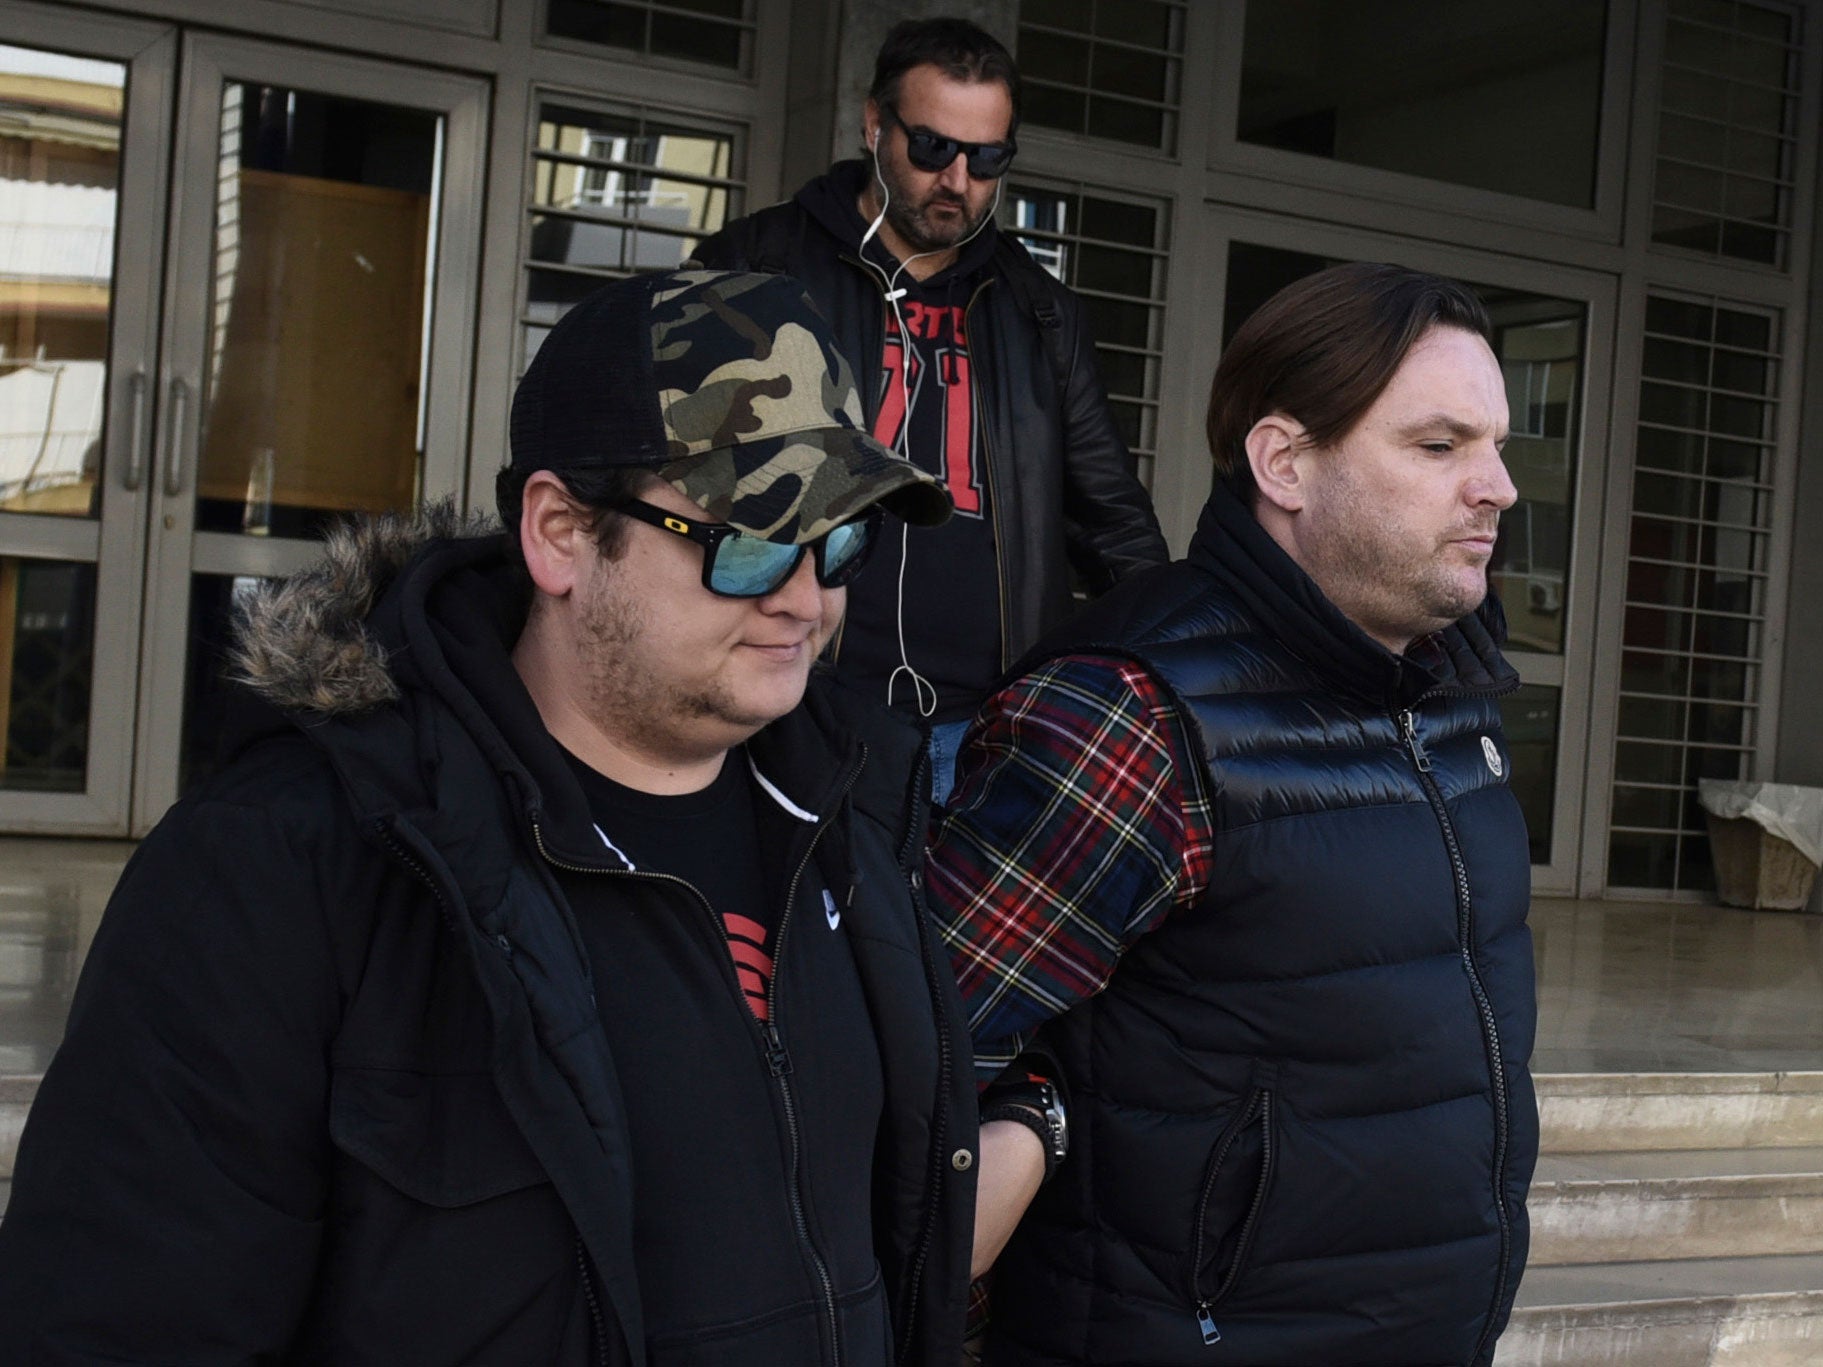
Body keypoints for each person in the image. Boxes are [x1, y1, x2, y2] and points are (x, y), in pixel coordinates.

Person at [0, 270, 984, 1365]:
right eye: (749, 538)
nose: (803, 597)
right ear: (560, 533)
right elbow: (117, 1319)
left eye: (837, 540)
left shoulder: (851, 824)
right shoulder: (291, 862)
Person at [931, 262, 1539, 1365]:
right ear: (1284, 462)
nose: (1494, 486)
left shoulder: (1453, 698)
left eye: (1495, 446)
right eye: (1439, 445)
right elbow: (927, 1059)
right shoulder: (1127, 712)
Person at [691, 16, 1168, 800]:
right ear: (875, 124)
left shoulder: (1037, 311)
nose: (957, 180)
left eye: (987, 159)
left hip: (985, 729)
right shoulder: (756, 265)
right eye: (932, 148)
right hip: (792, 706)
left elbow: (1112, 520)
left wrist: (1173, 675)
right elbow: (676, 473)